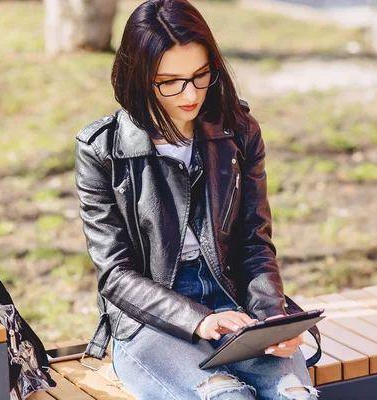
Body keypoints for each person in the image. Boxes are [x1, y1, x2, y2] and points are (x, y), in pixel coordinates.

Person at [74, 0, 320, 399]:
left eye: (200, 75)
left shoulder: (238, 132)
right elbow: (115, 275)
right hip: (151, 319)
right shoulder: (102, 150)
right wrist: (198, 320)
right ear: (138, 78)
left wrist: (273, 316)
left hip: (237, 302)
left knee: (295, 396)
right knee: (226, 396)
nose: (190, 94)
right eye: (169, 81)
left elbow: (253, 242)